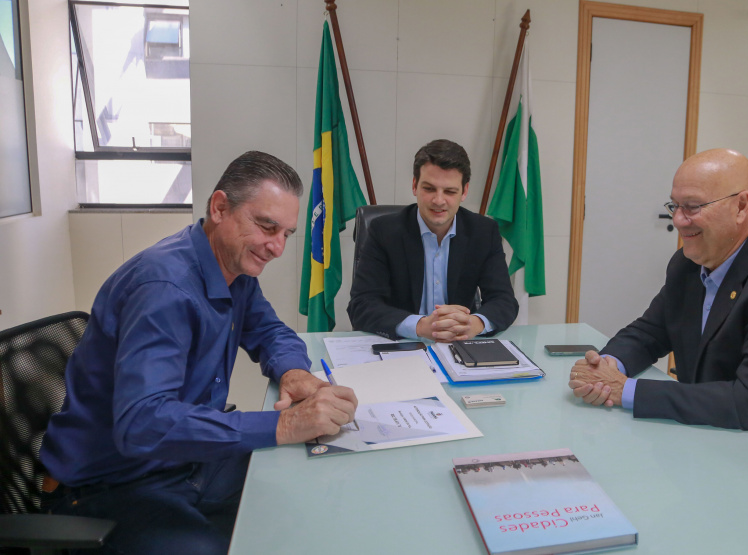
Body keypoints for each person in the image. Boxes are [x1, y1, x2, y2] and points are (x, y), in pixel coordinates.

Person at [40, 151, 359, 555]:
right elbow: (142, 423)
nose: (277, 247)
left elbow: (270, 331)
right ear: (220, 207)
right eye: (266, 227)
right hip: (112, 484)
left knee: (310, 498)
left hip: (184, 462)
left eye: (287, 234)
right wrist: (282, 425)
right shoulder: (164, 289)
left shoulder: (231, 266)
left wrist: (295, 373)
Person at [568, 148, 748, 480]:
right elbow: (651, 331)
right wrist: (609, 364)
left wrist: (625, 390)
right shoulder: (689, 263)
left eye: (693, 207)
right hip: (709, 442)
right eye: (675, 205)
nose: (678, 219)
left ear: (741, 206)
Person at [347, 139, 518, 341]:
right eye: (429, 189)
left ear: (464, 191)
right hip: (402, 346)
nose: (438, 200)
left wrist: (475, 324)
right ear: (414, 186)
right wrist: (419, 326)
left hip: (460, 345)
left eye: (449, 191)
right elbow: (362, 305)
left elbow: (504, 300)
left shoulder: (483, 232)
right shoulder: (383, 231)